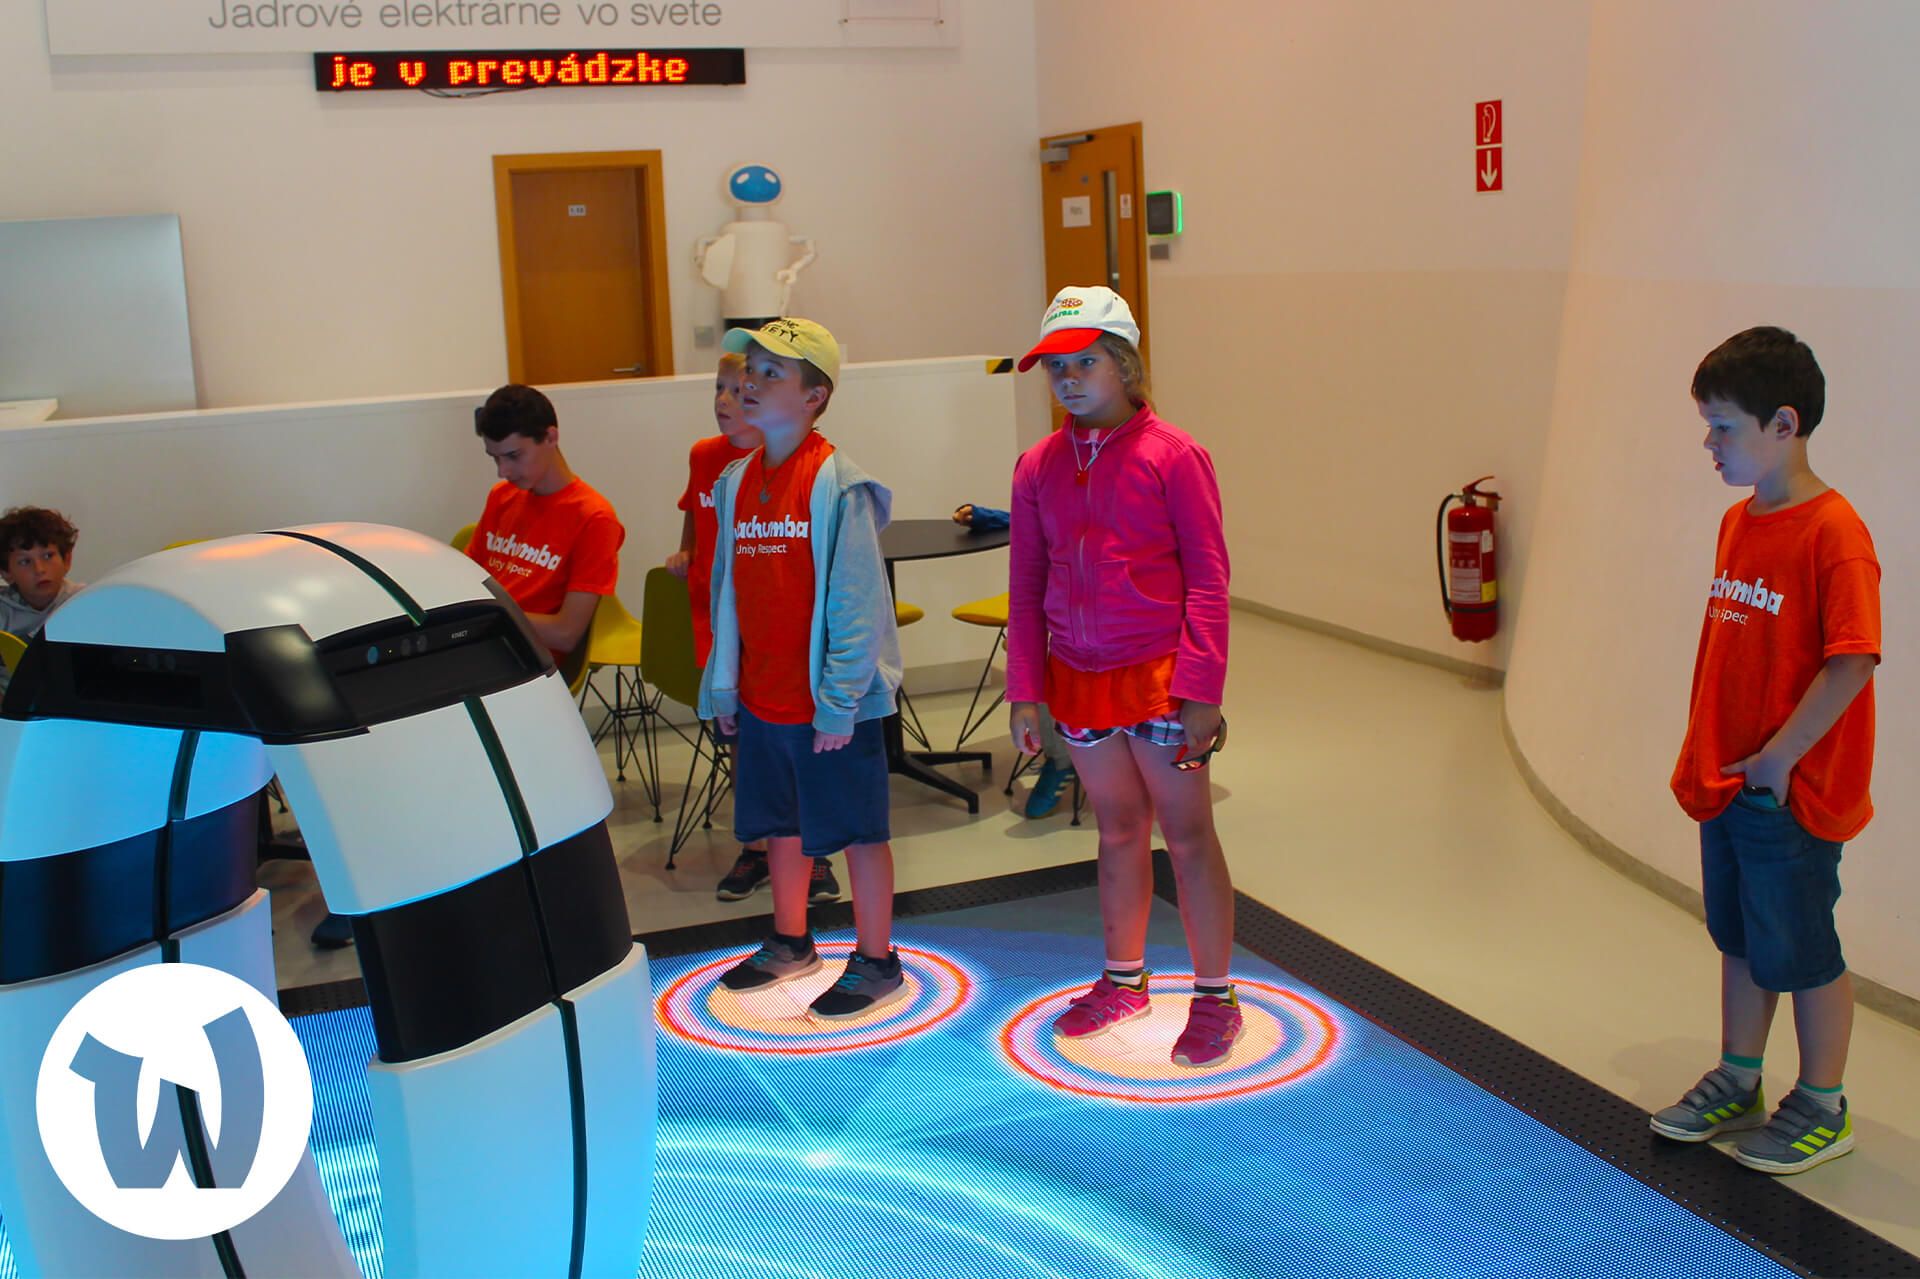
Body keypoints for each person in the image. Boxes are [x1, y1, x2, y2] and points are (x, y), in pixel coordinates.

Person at [1653, 327, 1880, 1174]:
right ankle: (1739, 1077)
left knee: (1803, 948)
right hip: (1730, 781)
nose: (1709, 444)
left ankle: (1823, 1102)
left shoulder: (1834, 532)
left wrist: (1780, 760)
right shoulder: (1737, 522)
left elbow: (1853, 658)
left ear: (1783, 424)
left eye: (1723, 427)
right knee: (1743, 937)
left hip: (1790, 792)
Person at [1005, 286, 1237, 1068]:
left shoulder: (1175, 455)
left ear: (1126, 364)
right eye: (1056, 367)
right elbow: (1027, 582)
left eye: (1086, 362)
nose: (1069, 379)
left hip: (1163, 680)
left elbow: (1209, 578)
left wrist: (1202, 688)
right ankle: (1123, 978)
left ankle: (1215, 996)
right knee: (1117, 829)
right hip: (1079, 678)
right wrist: (1025, 687)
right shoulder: (1037, 466)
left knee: (1189, 836)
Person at [698, 317, 906, 1020]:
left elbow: (857, 602)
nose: (749, 385)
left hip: (832, 705)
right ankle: (791, 941)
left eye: (771, 374)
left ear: (814, 396)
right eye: (748, 372)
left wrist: (840, 699)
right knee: (780, 826)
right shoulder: (735, 482)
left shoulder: (839, 485)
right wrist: (725, 684)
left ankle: (877, 959)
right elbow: (727, 592)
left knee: (859, 833)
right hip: (764, 697)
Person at [670, 353, 839, 905]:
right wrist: (687, 550)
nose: (726, 399)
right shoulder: (706, 457)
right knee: (742, 737)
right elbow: (695, 513)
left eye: (738, 386)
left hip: (778, 626)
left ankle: (813, 850)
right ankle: (758, 847)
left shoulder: (792, 461)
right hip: (721, 624)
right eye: (718, 389)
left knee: (799, 740)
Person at [467, 383, 626, 671]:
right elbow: (467, 585)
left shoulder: (594, 518)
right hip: (485, 645)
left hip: (529, 663)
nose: (503, 471)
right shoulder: (502, 497)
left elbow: (566, 634)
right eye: (495, 458)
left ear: (550, 437)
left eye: (513, 456)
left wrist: (488, 616)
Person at [0, 506, 82, 696]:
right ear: (6, 573)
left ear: (66, 560)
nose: (39, 569)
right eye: (25, 561)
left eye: (48, 556)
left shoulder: (82, 602)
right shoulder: (3, 610)